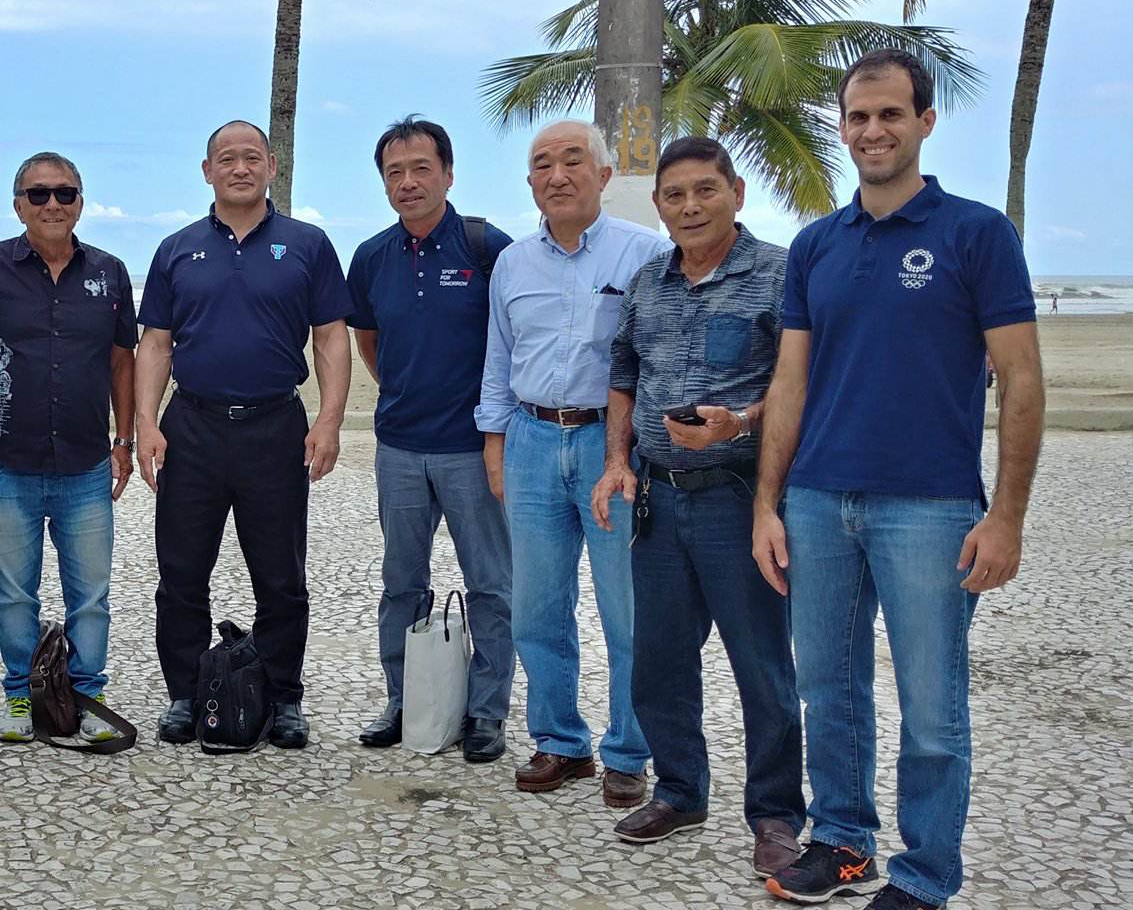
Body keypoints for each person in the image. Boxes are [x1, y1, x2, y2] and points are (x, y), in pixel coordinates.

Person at [753, 50, 1044, 910]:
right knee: (828, 688)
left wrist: (1006, 518)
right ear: (842, 128)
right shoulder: (816, 245)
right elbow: (790, 382)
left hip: (931, 506)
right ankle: (843, 844)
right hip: (818, 501)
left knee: (932, 706)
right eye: (857, 116)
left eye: (889, 114)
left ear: (924, 121)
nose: (872, 130)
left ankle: (924, 876)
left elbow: (1021, 378)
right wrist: (768, 504)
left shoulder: (976, 233)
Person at [590, 136, 804, 878]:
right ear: (658, 205)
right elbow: (623, 373)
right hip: (658, 500)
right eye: (675, 195)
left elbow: (799, 383)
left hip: (739, 500)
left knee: (762, 667)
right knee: (659, 662)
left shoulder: (779, 275)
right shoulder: (648, 282)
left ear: (736, 193)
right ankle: (681, 792)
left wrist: (738, 423)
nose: (690, 206)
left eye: (705, 190)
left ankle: (775, 816)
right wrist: (617, 461)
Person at [135, 119, 352, 750]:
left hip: (275, 427)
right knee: (181, 572)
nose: (239, 168)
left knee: (281, 576)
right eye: (226, 159)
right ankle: (185, 694)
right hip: (192, 427)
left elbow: (330, 337)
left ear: (271, 167)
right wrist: (146, 422)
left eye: (251, 157)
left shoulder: (308, 245)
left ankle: (284, 698)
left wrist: (329, 419)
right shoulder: (176, 249)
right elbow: (156, 343)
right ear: (207, 171)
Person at [477, 119, 667, 806]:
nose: (557, 175)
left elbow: (657, 360)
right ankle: (560, 742)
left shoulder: (646, 253)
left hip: (611, 448)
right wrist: (495, 444)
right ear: (530, 180)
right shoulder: (511, 264)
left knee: (627, 610)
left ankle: (629, 751)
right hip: (530, 441)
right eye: (542, 164)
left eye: (572, 161)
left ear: (604, 175)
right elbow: (499, 359)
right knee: (536, 606)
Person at [344, 116, 514, 760]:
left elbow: (515, 336)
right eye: (395, 173)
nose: (408, 183)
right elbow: (368, 339)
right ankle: (405, 701)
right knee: (401, 585)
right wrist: (401, 388)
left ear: (448, 173)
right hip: (399, 447)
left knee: (491, 585)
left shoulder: (486, 248)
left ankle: (486, 712)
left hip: (473, 448)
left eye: (421, 169)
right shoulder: (371, 257)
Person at [0, 152, 136, 742]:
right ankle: (20, 695)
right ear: (18, 205)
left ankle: (87, 695)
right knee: (13, 593)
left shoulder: (110, 273)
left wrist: (125, 440)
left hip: (86, 464)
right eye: (38, 194)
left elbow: (122, 362)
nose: (52, 204)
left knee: (92, 597)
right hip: (9, 462)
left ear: (80, 202)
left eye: (64, 193)